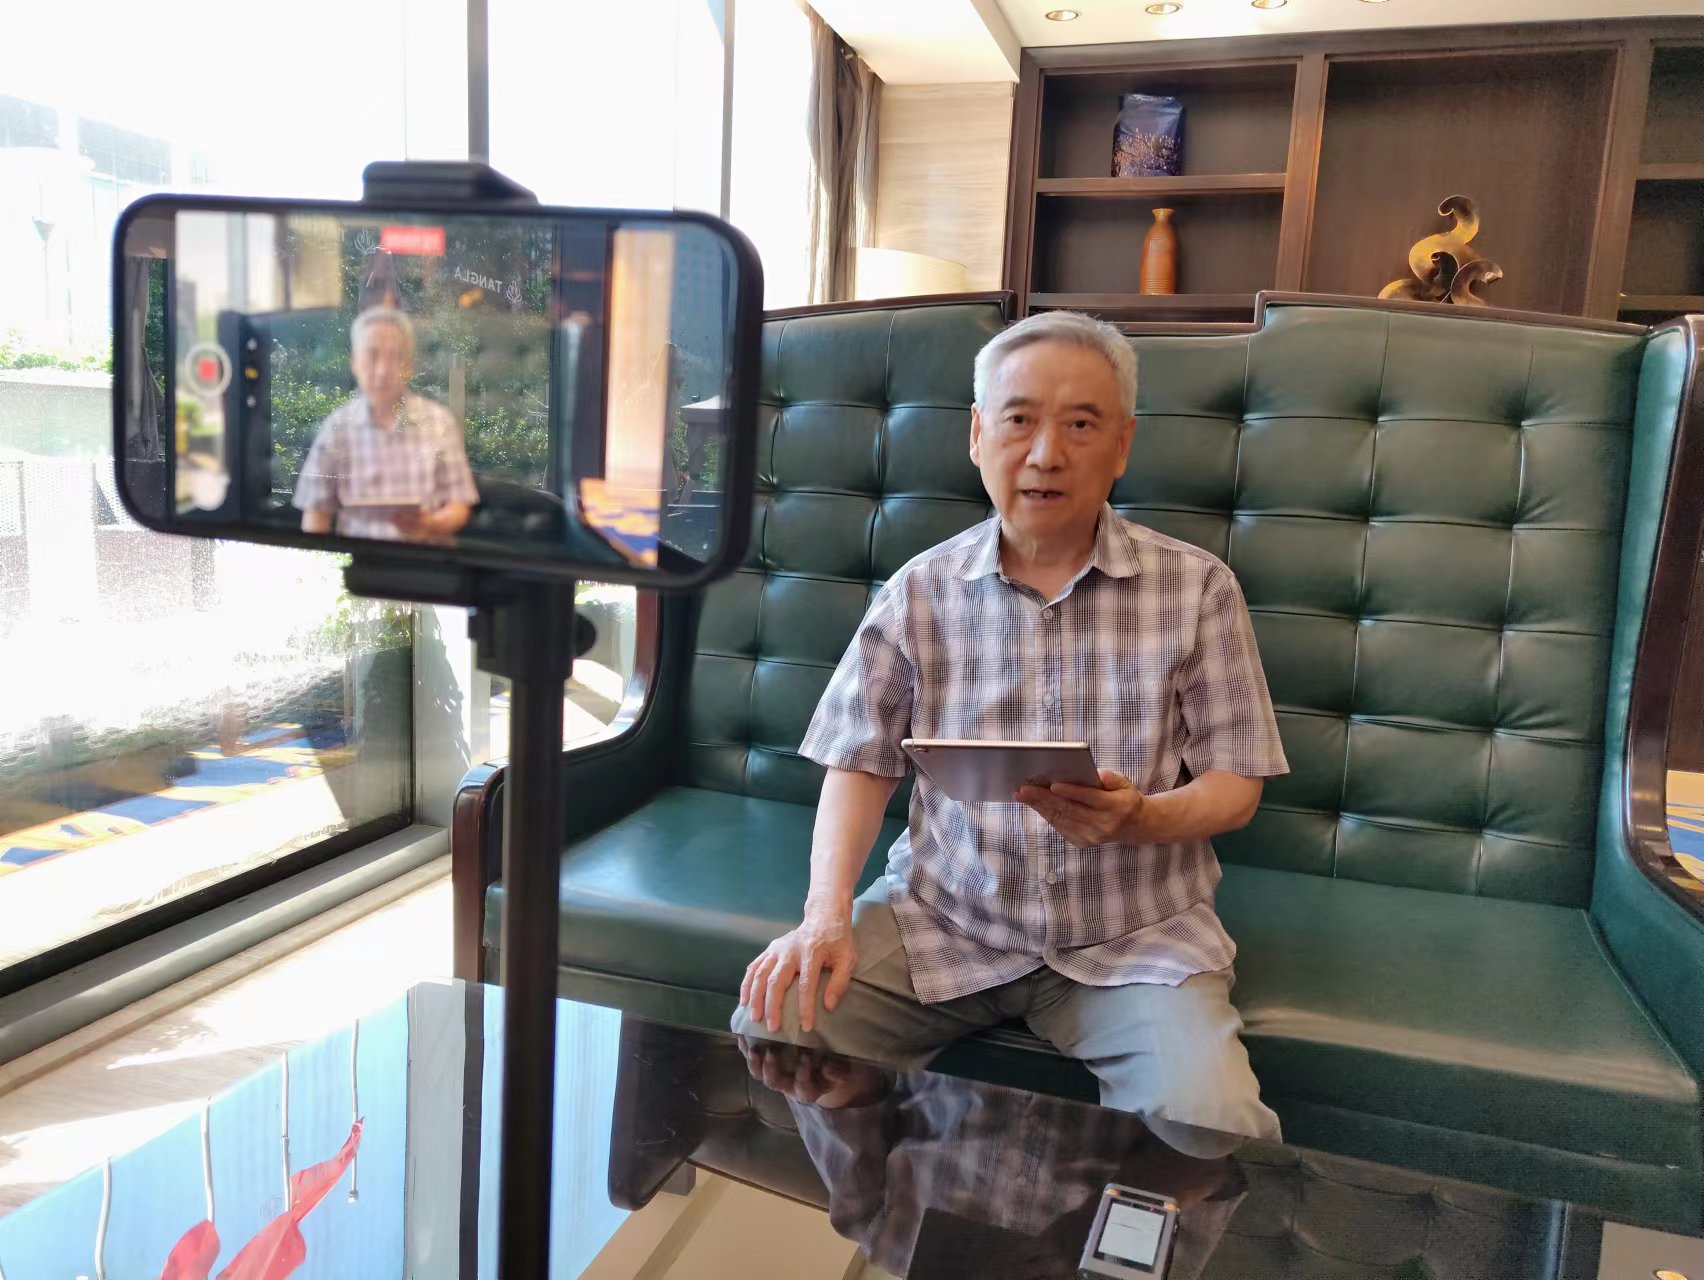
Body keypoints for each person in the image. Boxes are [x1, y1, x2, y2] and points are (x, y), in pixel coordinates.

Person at [732, 310, 1289, 1141]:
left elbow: (1235, 787)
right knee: (778, 1028)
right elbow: (858, 762)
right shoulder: (920, 591)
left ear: (1123, 444)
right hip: (946, 918)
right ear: (977, 433)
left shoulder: (1199, 589)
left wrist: (1141, 817)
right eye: (1020, 419)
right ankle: (880, 1196)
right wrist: (825, 917)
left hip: (1132, 939)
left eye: (1081, 425)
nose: (1046, 454)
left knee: (1213, 1123)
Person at [737, 1039, 1246, 1280]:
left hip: (957, 1021)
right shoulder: (1132, 1275)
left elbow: (847, 1101)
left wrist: (828, 1080)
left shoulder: (889, 1237)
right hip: (1114, 1043)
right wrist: (1080, 1238)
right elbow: (1200, 1158)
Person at [293, 307, 478, 542]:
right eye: (372, 356)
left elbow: (459, 505)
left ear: (409, 366)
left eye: (395, 358)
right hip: (358, 557)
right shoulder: (337, 427)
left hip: (425, 556)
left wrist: (430, 526)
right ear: (355, 363)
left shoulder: (439, 421)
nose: (382, 371)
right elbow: (316, 513)